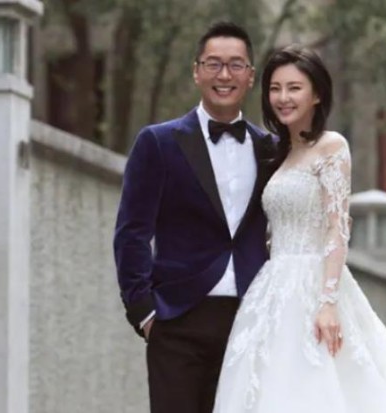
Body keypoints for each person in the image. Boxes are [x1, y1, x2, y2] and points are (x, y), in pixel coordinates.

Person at [213, 45, 386, 412]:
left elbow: (338, 228)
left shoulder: (331, 146)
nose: (283, 98)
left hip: (314, 284)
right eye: (275, 88)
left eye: (294, 88)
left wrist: (327, 303)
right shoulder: (278, 155)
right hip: (271, 290)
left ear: (317, 94)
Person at [113, 22, 277, 413]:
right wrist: (144, 312)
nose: (225, 75)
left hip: (249, 320)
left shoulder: (271, 149)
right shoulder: (158, 142)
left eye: (236, 65)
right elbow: (132, 232)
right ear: (196, 71)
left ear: (250, 76)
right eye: (214, 64)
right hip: (178, 319)